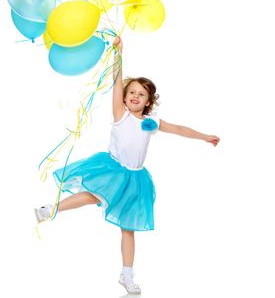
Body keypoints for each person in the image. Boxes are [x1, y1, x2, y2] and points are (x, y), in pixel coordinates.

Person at [34, 36, 220, 294]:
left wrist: (203, 136)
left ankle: (127, 274)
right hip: (112, 169)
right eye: (131, 92)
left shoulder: (151, 122)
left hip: (135, 179)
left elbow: (178, 128)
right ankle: (50, 209)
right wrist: (119, 54)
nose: (135, 96)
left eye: (141, 94)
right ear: (124, 97)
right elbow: (115, 81)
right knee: (91, 195)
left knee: (128, 228)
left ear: (148, 101)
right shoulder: (120, 115)